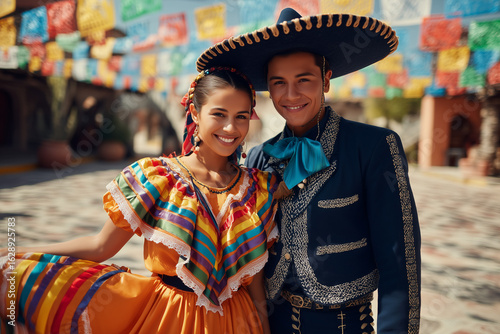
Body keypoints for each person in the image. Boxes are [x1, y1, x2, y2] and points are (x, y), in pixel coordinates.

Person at [0, 67, 279, 334]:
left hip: (240, 321)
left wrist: (264, 327)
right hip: (168, 318)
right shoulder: (156, 179)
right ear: (195, 112)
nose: (231, 127)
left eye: (242, 116)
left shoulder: (257, 188)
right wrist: (15, 252)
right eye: (219, 114)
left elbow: (255, 277)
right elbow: (100, 247)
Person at [195, 7, 421, 334]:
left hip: (344, 325)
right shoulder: (259, 157)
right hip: (272, 322)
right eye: (279, 83)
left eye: (304, 80)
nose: (291, 95)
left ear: (326, 80)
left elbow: (399, 263)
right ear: (268, 90)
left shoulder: (373, 146)